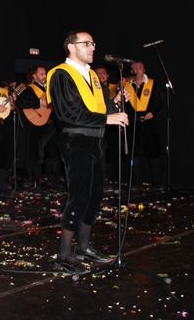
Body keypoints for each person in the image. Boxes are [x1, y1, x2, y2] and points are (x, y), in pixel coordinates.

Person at [46, 30, 128, 273]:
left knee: (94, 196)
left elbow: (101, 106)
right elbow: (66, 113)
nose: (93, 47)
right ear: (71, 47)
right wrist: (106, 119)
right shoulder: (60, 74)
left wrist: (116, 102)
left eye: (93, 43)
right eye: (87, 43)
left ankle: (83, 248)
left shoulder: (91, 74)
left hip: (96, 140)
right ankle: (63, 255)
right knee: (79, 196)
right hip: (75, 140)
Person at [16, 65, 60, 192]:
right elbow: (21, 102)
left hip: (52, 124)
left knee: (53, 153)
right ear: (34, 76)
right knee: (36, 154)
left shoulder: (50, 88)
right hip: (37, 125)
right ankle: (36, 181)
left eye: (45, 73)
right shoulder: (27, 88)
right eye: (41, 74)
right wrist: (40, 102)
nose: (45, 76)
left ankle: (53, 181)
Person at [124, 60, 163, 188]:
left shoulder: (152, 84)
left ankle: (156, 183)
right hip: (133, 123)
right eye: (134, 67)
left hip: (149, 123)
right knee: (134, 153)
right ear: (131, 71)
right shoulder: (126, 85)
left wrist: (153, 112)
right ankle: (137, 183)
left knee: (153, 152)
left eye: (140, 66)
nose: (137, 69)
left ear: (144, 69)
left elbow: (160, 101)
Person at [95, 65, 120, 187]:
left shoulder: (113, 88)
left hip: (112, 126)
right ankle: (102, 182)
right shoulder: (93, 89)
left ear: (107, 76)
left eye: (103, 73)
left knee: (111, 153)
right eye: (98, 73)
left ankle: (110, 180)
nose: (101, 75)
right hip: (98, 124)